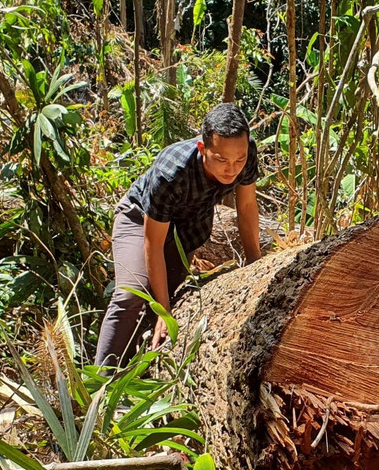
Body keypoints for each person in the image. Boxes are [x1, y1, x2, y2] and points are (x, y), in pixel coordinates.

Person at [94, 103, 262, 369]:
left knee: (167, 300)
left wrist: (256, 263)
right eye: (221, 160)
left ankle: (134, 372)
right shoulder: (171, 171)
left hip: (187, 229)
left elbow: (247, 206)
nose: (232, 169)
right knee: (132, 294)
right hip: (139, 221)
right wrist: (163, 310)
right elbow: (153, 243)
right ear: (202, 149)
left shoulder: (246, 151)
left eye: (238, 160)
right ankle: (100, 382)